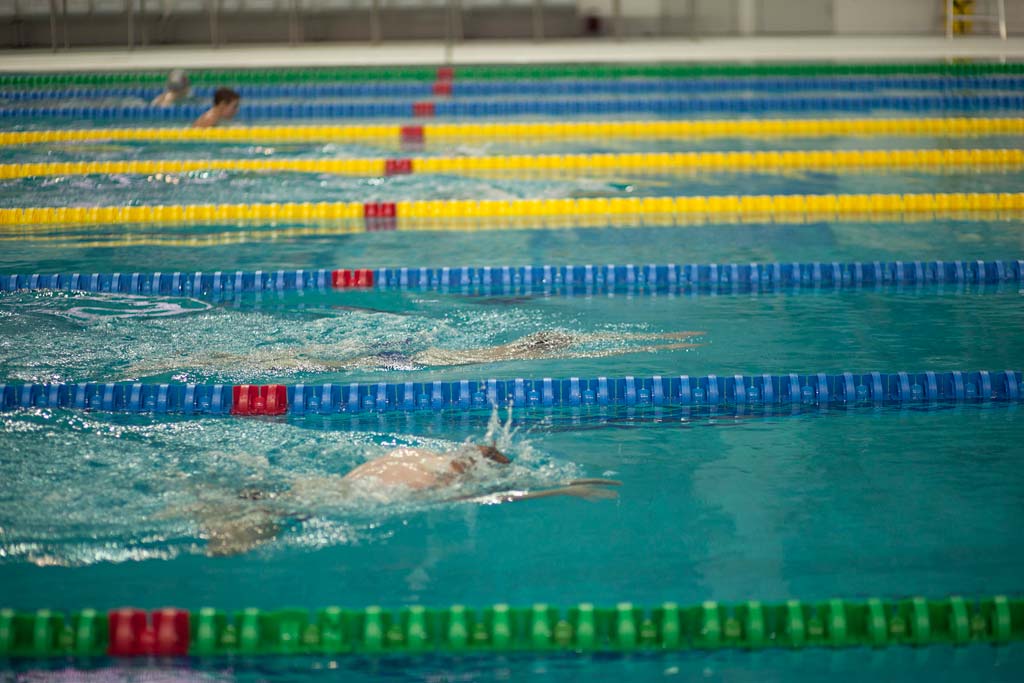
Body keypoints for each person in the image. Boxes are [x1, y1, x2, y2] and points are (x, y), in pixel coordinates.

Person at [193, 443, 621, 556]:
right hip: (343, 500)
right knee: (258, 525)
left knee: (277, 501)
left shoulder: (415, 454)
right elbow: (501, 497)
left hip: (323, 484)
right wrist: (563, 490)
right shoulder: (444, 482)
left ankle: (228, 506)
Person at [125, 329, 703, 377]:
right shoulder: (507, 357)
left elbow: (590, 348)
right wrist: (661, 344)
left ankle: (191, 359)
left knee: (306, 359)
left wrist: (664, 343)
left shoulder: (504, 351)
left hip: (412, 355)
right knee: (314, 364)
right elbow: (590, 352)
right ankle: (184, 361)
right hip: (406, 362)